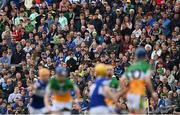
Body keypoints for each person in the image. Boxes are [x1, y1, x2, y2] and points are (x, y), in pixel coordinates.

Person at [120, 47, 156, 114]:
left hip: (130, 93)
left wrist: (124, 91)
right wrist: (152, 92)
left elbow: (122, 80)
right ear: (145, 56)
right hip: (138, 93)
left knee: (132, 112)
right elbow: (148, 81)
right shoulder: (145, 66)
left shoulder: (132, 67)